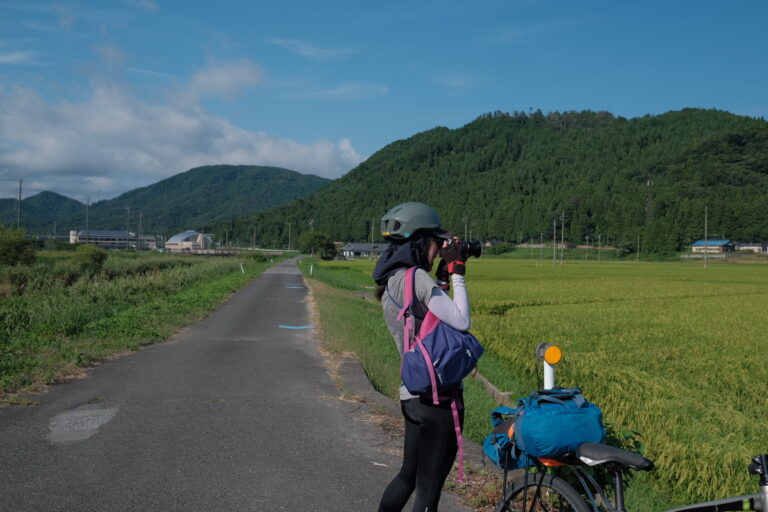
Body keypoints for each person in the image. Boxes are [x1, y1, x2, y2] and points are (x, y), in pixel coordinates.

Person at [372, 202, 471, 512]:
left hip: (411, 395)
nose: (438, 248)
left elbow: (427, 319)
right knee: (428, 491)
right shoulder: (416, 277)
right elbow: (460, 319)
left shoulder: (393, 280)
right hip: (436, 399)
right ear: (420, 240)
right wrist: (457, 272)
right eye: (434, 241)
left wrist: (440, 277)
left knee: (408, 477)